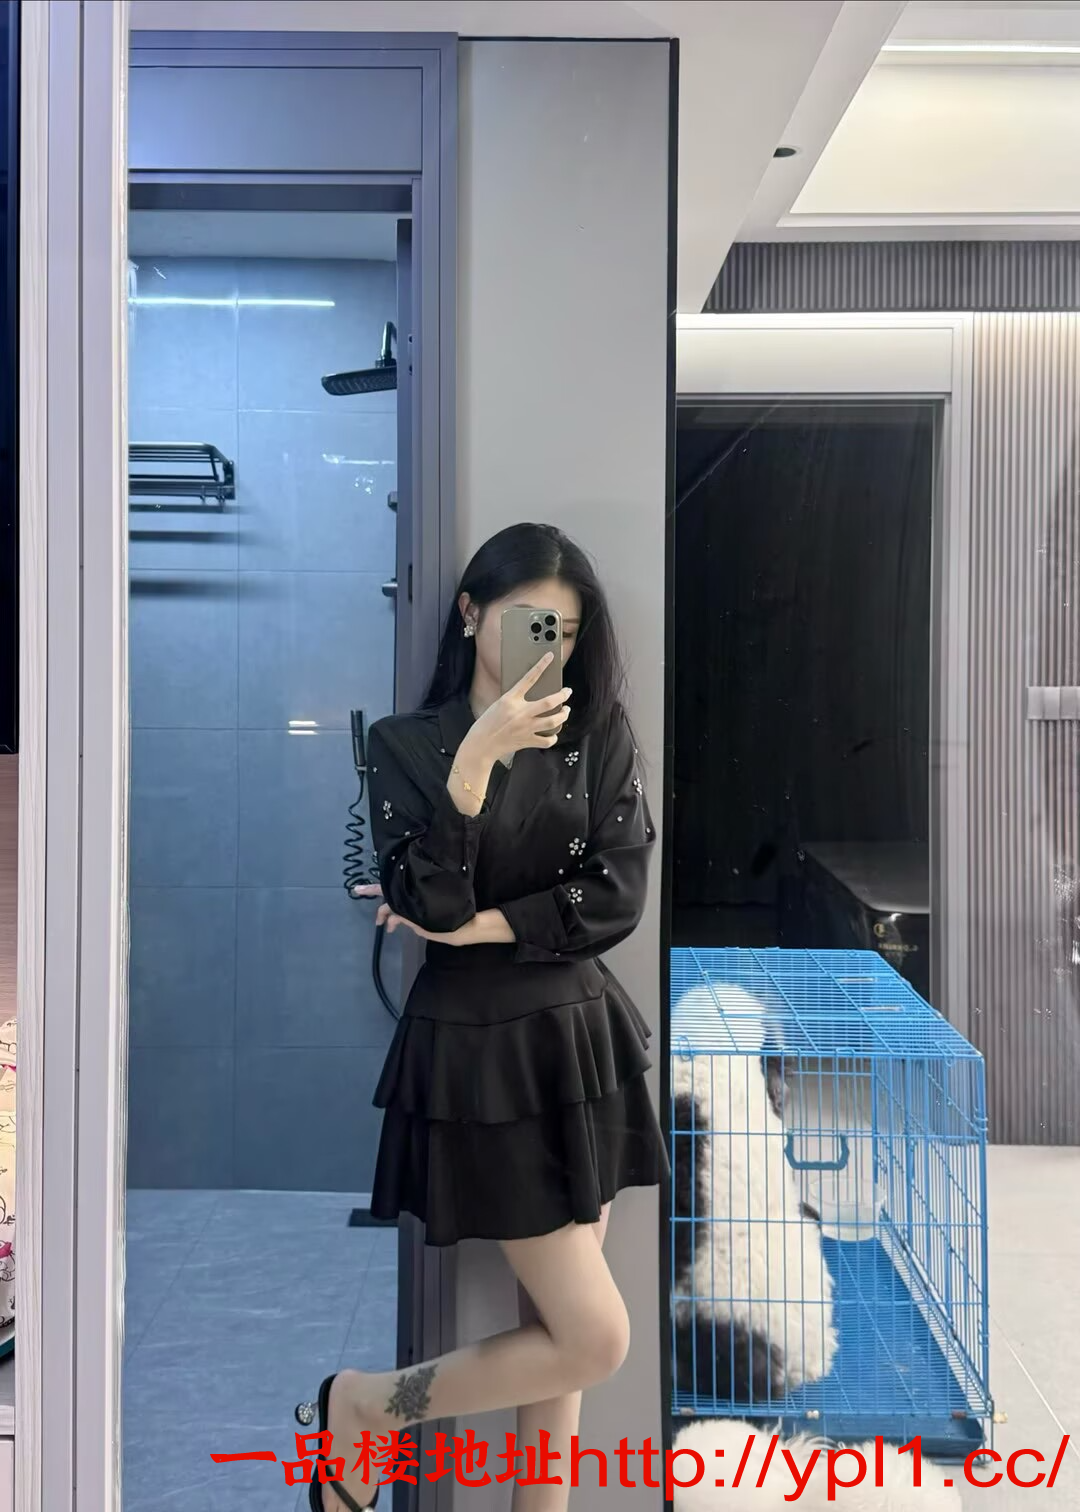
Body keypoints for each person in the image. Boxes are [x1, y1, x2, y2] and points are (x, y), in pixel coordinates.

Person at [296, 522, 667, 1512]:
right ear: (470, 612)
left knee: (561, 1344)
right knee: (594, 1337)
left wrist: (487, 924)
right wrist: (474, 767)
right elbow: (428, 899)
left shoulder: (596, 733)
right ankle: (368, 1404)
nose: (550, 645)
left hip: (581, 1039)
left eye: (567, 631)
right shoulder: (403, 746)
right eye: (528, 621)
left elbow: (618, 894)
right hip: (476, 1054)